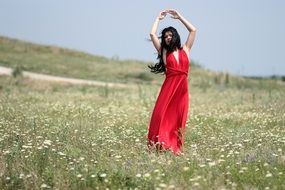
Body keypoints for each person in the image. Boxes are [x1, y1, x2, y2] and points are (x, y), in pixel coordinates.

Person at [147, 9, 197, 155]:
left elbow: (193, 30)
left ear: (175, 36)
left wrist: (179, 17)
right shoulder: (163, 52)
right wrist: (158, 19)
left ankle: (176, 148)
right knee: (162, 115)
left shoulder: (186, 49)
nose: (168, 38)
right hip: (169, 88)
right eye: (165, 36)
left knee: (178, 117)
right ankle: (160, 145)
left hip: (182, 89)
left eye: (170, 35)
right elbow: (152, 34)